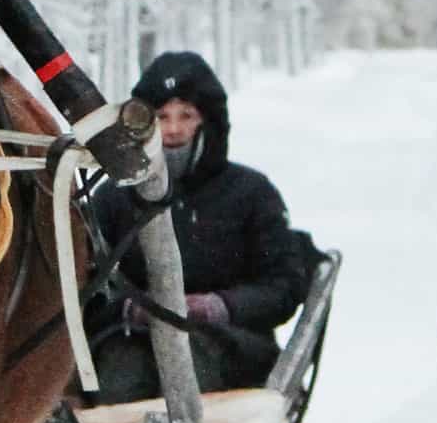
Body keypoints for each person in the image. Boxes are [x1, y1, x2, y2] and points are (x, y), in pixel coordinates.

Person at [82, 49, 312, 403]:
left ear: (207, 120)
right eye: (161, 116)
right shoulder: (115, 196)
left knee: (191, 366)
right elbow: (85, 283)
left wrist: (218, 306)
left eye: (185, 115)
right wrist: (131, 308)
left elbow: (284, 284)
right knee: (118, 377)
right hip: (131, 339)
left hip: (230, 344)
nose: (173, 130)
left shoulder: (251, 193)